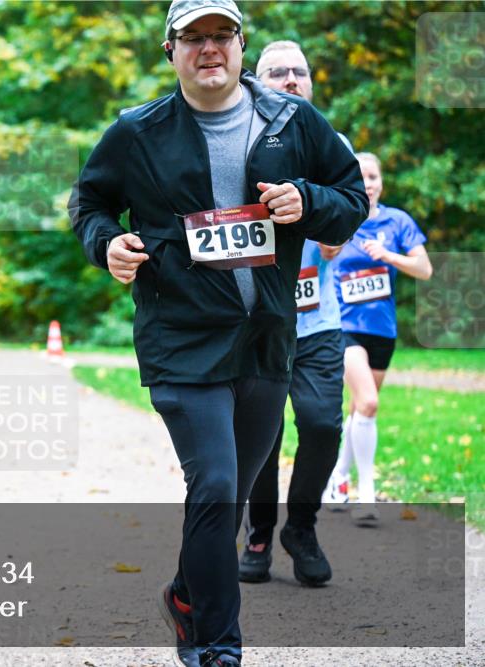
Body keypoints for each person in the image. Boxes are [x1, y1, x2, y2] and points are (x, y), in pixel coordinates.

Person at [69, 0, 368, 664]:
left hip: (266, 340)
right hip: (180, 339)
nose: (210, 48)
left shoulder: (291, 121)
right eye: (193, 37)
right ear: (169, 50)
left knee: (225, 496)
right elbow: (88, 202)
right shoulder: (138, 132)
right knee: (216, 485)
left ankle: (186, 594)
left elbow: (350, 200)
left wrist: (308, 200)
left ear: (241, 45)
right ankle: (217, 646)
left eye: (222, 35)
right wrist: (106, 243)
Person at [239, 40, 351, 587]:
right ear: (254, 82)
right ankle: (260, 531)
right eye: (275, 72)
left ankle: (300, 528)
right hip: (260, 320)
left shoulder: (332, 145)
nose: (289, 80)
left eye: (299, 72)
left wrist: (336, 232)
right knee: (262, 434)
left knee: (323, 424)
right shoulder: (238, 141)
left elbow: (355, 210)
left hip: (319, 322)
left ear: (312, 82)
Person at [323, 152, 433, 525]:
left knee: (359, 409)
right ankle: (366, 494)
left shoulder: (397, 221)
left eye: (372, 176)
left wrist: (389, 255)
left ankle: (338, 478)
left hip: (382, 329)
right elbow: (316, 257)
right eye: (359, 176)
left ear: (381, 182)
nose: (367, 183)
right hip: (343, 325)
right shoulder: (337, 218)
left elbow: (424, 268)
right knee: (368, 403)